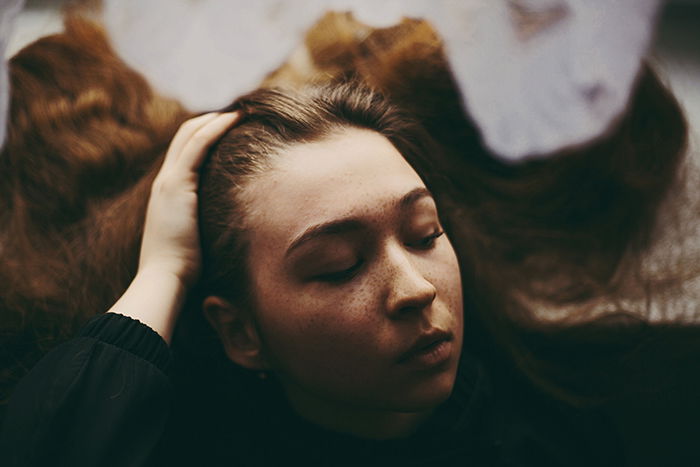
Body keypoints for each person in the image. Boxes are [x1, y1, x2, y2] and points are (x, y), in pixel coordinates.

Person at [0, 81, 624, 466]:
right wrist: (162, 273)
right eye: (339, 267)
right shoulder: (186, 448)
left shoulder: (568, 416)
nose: (417, 288)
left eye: (425, 233)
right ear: (242, 333)